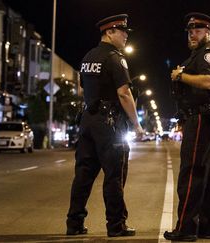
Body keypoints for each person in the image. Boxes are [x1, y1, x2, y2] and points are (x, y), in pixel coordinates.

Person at [66, 14, 143, 237]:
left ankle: (74, 223)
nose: (126, 35)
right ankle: (116, 225)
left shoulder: (88, 56)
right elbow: (124, 93)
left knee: (83, 175)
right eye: (122, 31)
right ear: (109, 32)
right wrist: (136, 124)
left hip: (88, 121)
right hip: (110, 124)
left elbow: (83, 89)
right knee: (114, 176)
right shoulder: (115, 58)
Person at [164, 12, 210, 242]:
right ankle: (207, 227)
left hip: (201, 118)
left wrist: (181, 76)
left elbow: (208, 82)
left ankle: (186, 228)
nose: (192, 34)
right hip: (202, 118)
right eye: (189, 31)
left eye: (197, 30)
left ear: (207, 32)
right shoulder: (198, 54)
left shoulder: (208, 53)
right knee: (207, 174)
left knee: (191, 172)